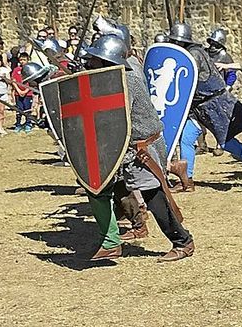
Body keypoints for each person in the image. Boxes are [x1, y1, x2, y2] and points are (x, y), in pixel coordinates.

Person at [81, 34, 195, 262]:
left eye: (94, 59)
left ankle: (183, 241)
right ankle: (114, 241)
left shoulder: (125, 81)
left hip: (142, 148)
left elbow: (115, 118)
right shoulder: (112, 79)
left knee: (153, 196)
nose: (89, 63)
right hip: (126, 148)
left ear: (106, 60)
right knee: (113, 188)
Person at [165, 22, 242, 190]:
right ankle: (187, 180)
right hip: (198, 107)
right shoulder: (191, 53)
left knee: (227, 144)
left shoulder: (194, 55)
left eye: (175, 41)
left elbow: (186, 80)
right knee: (186, 138)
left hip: (215, 105)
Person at [11, 52, 34, 133]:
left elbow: (32, 82)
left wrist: (25, 91)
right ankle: (18, 124)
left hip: (28, 94)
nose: (22, 61)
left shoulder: (30, 70)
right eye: (20, 60)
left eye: (24, 60)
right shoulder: (16, 69)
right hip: (18, 93)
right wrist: (18, 90)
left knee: (27, 109)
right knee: (19, 109)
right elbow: (13, 81)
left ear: (28, 60)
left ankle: (28, 123)